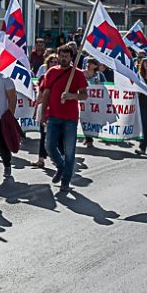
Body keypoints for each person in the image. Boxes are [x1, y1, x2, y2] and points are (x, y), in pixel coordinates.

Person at [37, 45, 89, 193]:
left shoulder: (77, 73)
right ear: (58, 56)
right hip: (53, 115)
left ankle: (65, 180)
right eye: (62, 56)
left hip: (70, 118)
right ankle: (61, 166)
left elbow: (84, 95)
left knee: (69, 151)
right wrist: (43, 113)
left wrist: (72, 96)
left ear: (71, 58)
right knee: (49, 146)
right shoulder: (51, 72)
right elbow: (46, 93)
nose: (64, 59)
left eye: (67, 56)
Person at [81, 58, 105, 148]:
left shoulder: (99, 75)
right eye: (87, 63)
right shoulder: (81, 73)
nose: (88, 64)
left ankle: (89, 137)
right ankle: (88, 138)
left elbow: (105, 86)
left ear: (95, 66)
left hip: (94, 102)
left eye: (91, 63)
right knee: (84, 119)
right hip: (83, 100)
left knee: (92, 119)